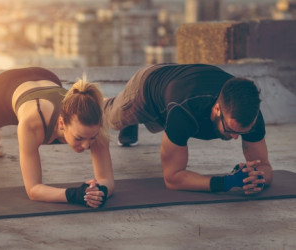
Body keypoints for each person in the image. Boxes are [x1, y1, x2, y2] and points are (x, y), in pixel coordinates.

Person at [0, 67, 114, 208]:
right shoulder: (33, 123)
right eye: (79, 138)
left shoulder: (95, 119)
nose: (86, 145)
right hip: (4, 86)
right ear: (62, 123)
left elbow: (106, 179)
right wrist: (74, 195)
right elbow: (33, 190)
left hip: (46, 77)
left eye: (91, 138)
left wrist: (99, 191)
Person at [104, 63, 272, 195]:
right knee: (113, 119)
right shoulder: (184, 110)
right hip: (147, 87)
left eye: (242, 132)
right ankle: (102, 103)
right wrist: (226, 182)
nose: (236, 137)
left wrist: (256, 177)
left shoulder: (249, 113)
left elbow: (265, 166)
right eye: (230, 129)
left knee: (161, 123)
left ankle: (131, 122)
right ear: (217, 109)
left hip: (177, 83)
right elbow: (173, 178)